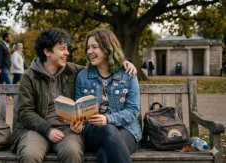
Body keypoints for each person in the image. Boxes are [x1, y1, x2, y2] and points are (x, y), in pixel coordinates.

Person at [11, 28, 137, 163]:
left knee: (80, 153)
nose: (67, 52)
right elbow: (25, 111)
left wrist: (123, 62)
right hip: (37, 129)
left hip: (68, 128)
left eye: (94, 47)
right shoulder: (29, 76)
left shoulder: (72, 70)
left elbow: (103, 68)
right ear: (47, 52)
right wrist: (49, 130)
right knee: (30, 155)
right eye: (62, 49)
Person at [75, 29, 141, 163]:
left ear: (108, 48)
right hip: (94, 131)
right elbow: (79, 112)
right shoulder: (83, 77)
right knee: (108, 130)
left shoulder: (127, 74)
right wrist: (77, 124)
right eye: (88, 48)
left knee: (104, 155)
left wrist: (107, 118)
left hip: (126, 129)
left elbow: (133, 111)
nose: (89, 51)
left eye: (94, 47)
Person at [0, 32, 12, 101]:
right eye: (9, 37)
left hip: (6, 67)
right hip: (3, 67)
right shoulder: (1, 45)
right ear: (6, 38)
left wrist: (9, 65)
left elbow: (8, 57)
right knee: (10, 83)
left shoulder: (6, 45)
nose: (10, 38)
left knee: (0, 83)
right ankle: (14, 97)